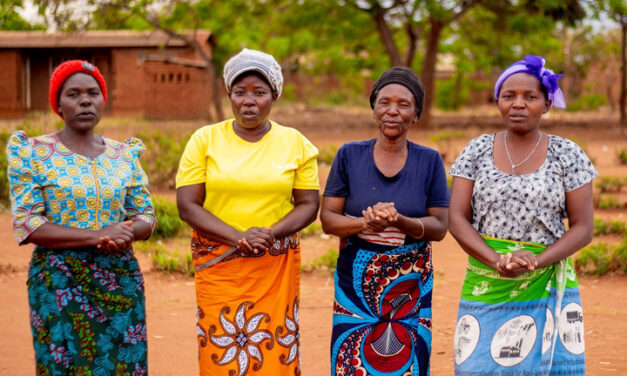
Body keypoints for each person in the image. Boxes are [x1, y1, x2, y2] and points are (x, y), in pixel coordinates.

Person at [175, 48, 320, 376]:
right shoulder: (205, 140)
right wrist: (238, 238)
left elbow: (309, 204)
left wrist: (269, 234)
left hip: (274, 264)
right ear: (229, 95)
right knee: (220, 351)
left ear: (275, 95)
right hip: (220, 267)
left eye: (259, 92)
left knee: (275, 349)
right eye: (240, 92)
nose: (249, 101)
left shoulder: (294, 142)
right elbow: (187, 204)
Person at [448, 55, 596, 375]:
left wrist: (535, 261)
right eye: (508, 96)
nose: (518, 104)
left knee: (546, 365)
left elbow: (583, 227)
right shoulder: (475, 150)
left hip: (545, 278)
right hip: (486, 280)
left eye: (530, 97)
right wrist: (495, 260)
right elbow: (457, 218)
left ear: (546, 104)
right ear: (497, 102)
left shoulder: (567, 154)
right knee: (476, 366)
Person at [7, 60, 156, 375]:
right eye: (73, 94)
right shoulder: (33, 153)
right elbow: (28, 223)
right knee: (65, 366)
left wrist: (128, 232)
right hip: (59, 281)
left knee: (124, 366)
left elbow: (145, 215)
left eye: (93, 93)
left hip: (120, 281)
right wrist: (99, 235)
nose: (85, 100)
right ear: (58, 103)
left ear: (103, 100)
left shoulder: (124, 155)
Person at [320, 66, 450, 376]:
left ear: (416, 113)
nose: (393, 111)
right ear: (374, 108)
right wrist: (364, 224)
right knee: (352, 359)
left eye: (404, 104)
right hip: (355, 284)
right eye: (384, 102)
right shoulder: (349, 155)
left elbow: (440, 226)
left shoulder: (429, 160)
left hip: (410, 283)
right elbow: (327, 219)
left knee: (408, 359)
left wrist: (401, 221)